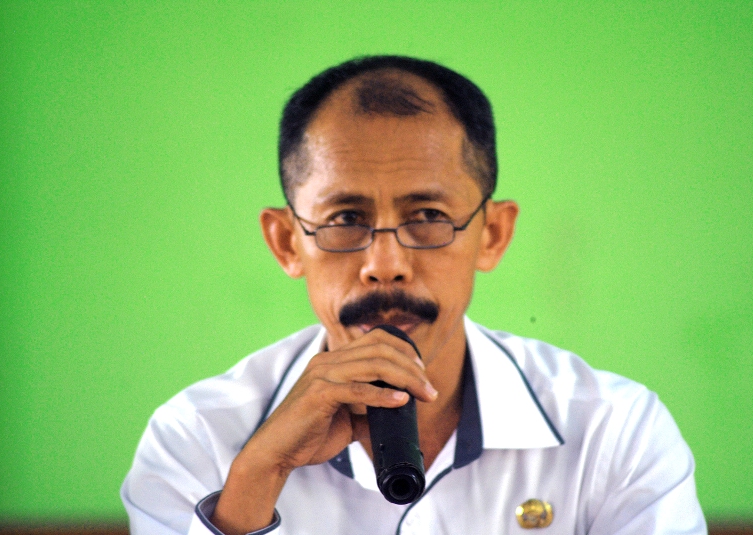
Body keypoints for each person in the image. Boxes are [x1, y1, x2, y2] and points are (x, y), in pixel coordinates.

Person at [122, 55, 706, 535]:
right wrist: (255, 480)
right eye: (345, 218)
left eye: (428, 216)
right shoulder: (196, 439)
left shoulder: (614, 434)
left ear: (492, 234)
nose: (385, 267)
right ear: (286, 242)